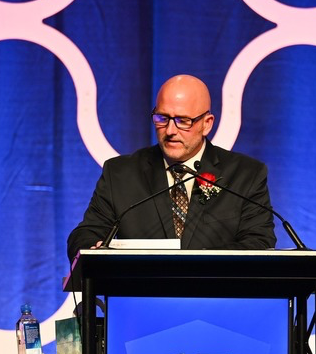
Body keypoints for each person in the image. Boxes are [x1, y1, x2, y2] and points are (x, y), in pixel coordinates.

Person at [67, 74, 276, 260]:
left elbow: (258, 242)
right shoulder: (121, 174)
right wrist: (91, 249)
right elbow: (86, 233)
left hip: (217, 298)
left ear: (207, 123)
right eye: (162, 118)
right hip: (139, 298)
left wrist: (197, 267)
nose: (170, 130)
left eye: (183, 121)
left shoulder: (245, 175)